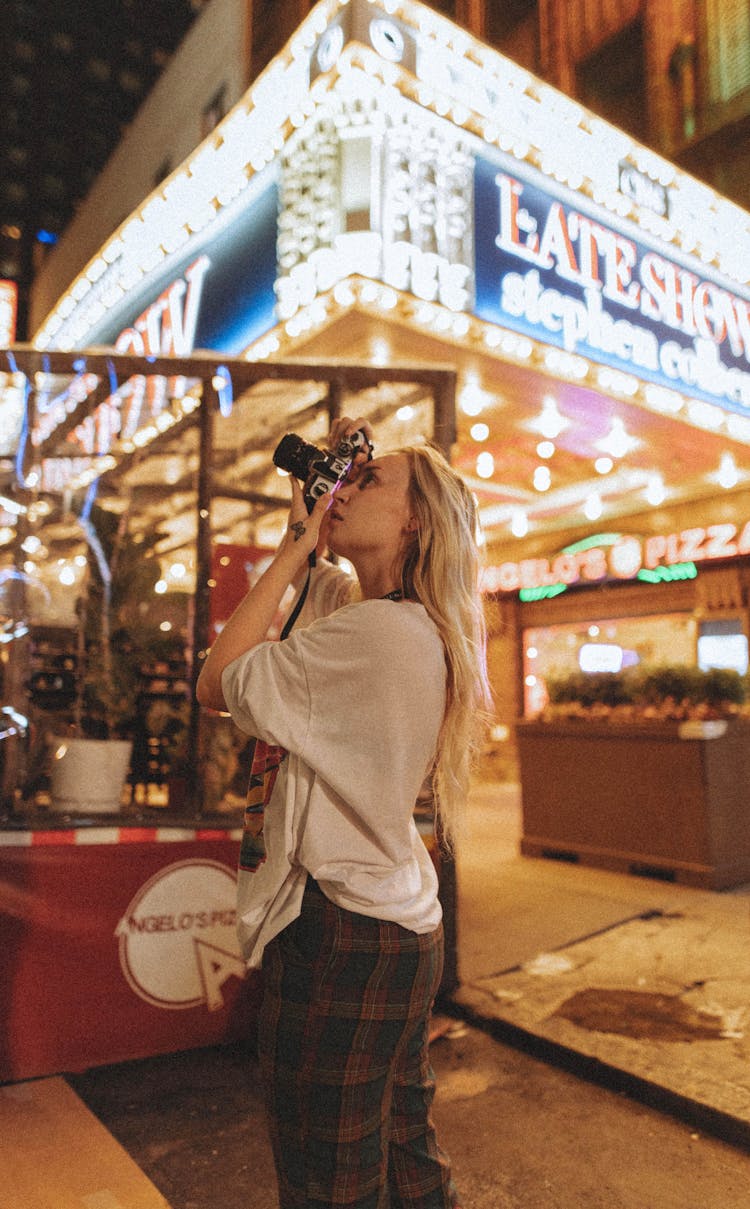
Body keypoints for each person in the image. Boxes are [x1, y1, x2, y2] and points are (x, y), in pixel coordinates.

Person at [197, 417, 491, 1209]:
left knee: (329, 1178)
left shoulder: (378, 633)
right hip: (388, 926)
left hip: (341, 936)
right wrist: (314, 516)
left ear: (413, 520)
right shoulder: (387, 618)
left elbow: (217, 679)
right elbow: (304, 598)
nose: (347, 487)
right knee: (400, 1152)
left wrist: (298, 541)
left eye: (371, 481)